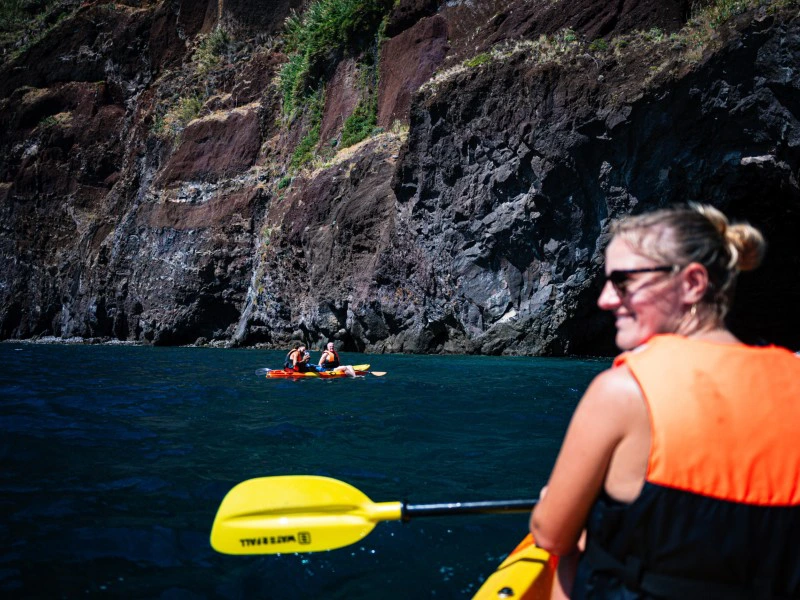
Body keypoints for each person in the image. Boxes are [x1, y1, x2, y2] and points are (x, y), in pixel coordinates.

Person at [529, 204, 800, 599]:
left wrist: (553, 508)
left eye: (623, 281)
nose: (605, 299)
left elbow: (550, 535)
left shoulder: (622, 391)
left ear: (692, 283)